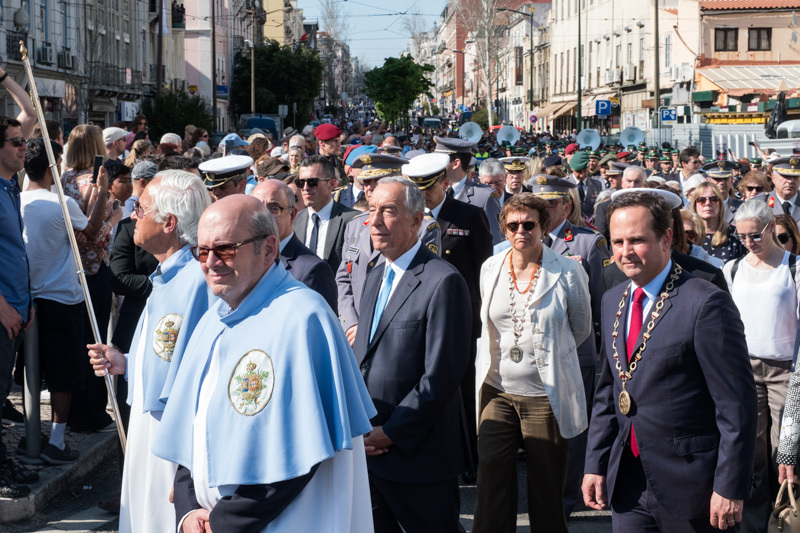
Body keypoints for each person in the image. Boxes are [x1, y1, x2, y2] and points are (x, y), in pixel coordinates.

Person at [151, 195, 375, 532]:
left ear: (269, 249)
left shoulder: (304, 318)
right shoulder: (212, 319)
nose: (211, 262)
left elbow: (303, 451)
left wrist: (226, 520)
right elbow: (190, 427)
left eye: (225, 249)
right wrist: (188, 509)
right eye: (202, 251)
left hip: (280, 520)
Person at [583, 190, 757, 532]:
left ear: (665, 238)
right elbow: (608, 390)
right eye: (617, 242)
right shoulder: (611, 299)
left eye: (636, 240)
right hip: (629, 484)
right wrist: (595, 463)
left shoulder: (705, 303)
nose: (625, 252)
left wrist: (729, 486)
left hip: (693, 485)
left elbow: (736, 405)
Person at [87, 171, 214, 532]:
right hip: (148, 429)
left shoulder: (197, 282)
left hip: (170, 442)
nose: (132, 217)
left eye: (141, 210)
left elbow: (195, 380)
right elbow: (165, 357)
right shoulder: (166, 275)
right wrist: (125, 363)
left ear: (169, 223)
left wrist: (186, 467)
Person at [353, 177, 471, 532]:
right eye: (372, 210)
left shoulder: (442, 281)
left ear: (417, 221)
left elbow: (441, 376)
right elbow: (365, 360)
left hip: (419, 454)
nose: (375, 222)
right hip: (370, 451)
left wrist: (391, 432)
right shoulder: (375, 274)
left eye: (388, 212)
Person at [472, 193, 591, 533]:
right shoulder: (490, 268)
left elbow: (580, 328)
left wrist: (548, 352)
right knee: (491, 479)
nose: (520, 231)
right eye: (513, 225)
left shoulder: (567, 270)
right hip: (497, 390)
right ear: (503, 229)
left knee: (546, 489)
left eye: (529, 224)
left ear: (543, 226)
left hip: (545, 395)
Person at [404, 152, 493, 482]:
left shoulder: (468, 216)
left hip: (461, 319)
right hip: (417, 316)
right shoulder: (409, 218)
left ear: (445, 182)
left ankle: (469, 457)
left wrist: (481, 321)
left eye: (428, 188)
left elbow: (484, 270)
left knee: (463, 387)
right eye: (417, 188)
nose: (423, 195)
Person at [21, 138, 108, 465]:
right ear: (51, 168)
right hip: (61, 298)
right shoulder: (60, 203)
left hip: (27, 299)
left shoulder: (16, 201)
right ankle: (56, 442)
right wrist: (100, 192)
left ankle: (32, 435)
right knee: (64, 374)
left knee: (32, 371)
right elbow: (93, 231)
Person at [526, 175, 610, 514]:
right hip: (532, 352)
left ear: (566, 206)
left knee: (571, 430)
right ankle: (541, 494)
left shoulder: (588, 244)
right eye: (538, 203)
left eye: (550, 204)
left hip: (575, 351)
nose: (543, 210)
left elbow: (603, 303)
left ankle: (563, 500)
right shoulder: (525, 239)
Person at [722, 200, 799, 532]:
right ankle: (753, 524)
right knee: (750, 454)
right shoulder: (732, 270)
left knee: (786, 454)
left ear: (771, 228)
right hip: (745, 371)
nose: (749, 242)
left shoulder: (794, 267)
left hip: (786, 371)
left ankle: (787, 518)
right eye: (741, 237)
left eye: (755, 235)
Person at [336, 153, 441, 347]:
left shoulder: (422, 227)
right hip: (352, 337)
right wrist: (351, 324)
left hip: (395, 338)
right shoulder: (355, 225)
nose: (369, 187)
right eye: (366, 181)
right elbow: (343, 278)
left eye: (377, 180)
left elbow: (419, 289)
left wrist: (369, 327)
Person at [62, 123, 122, 433]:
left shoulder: (63, 180)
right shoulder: (94, 183)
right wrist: (114, 217)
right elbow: (94, 237)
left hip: (69, 271)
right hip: (94, 271)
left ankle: (74, 412)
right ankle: (92, 414)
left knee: (78, 342)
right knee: (96, 344)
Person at [251, 179, 338, 312]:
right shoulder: (245, 257)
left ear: (292, 215)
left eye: (274, 209)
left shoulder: (313, 271)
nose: (264, 216)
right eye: (257, 208)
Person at [293, 155, 359, 272]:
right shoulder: (294, 221)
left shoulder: (352, 220)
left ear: (332, 184)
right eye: (300, 182)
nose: (306, 187)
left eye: (312, 182)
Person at [435, 136, 503, 244]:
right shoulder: (432, 191)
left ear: (456, 163)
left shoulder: (484, 197)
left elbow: (494, 242)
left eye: (440, 160)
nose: (435, 164)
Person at [691, 181, 746, 263]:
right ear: (695, 205)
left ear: (720, 204)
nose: (708, 203)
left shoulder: (735, 234)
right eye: (701, 200)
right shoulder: (687, 234)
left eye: (713, 199)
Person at [767, 158, 800, 223]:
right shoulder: (762, 203)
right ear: (773, 178)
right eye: (785, 176)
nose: (790, 181)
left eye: (795, 177)